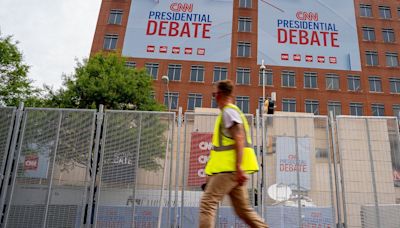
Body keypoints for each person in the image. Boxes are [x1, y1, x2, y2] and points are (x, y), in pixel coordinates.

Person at [199, 80, 268, 228]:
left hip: (229, 171)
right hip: (232, 172)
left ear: (219, 94)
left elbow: (239, 137)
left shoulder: (229, 112)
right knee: (243, 211)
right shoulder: (228, 113)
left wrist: (238, 167)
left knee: (207, 203)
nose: (214, 98)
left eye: (214, 94)